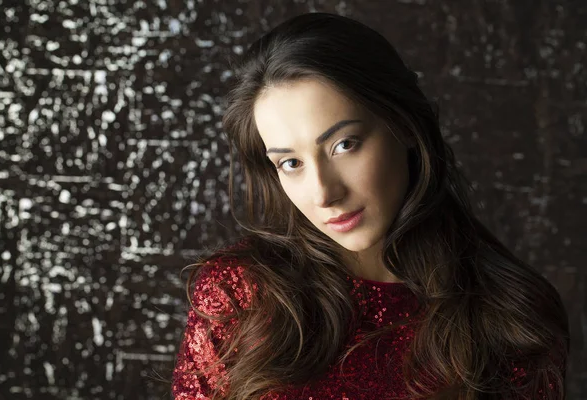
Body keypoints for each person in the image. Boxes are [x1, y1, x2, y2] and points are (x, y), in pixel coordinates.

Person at [172, 12, 569, 400]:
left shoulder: (511, 320)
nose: (324, 193)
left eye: (344, 144)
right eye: (290, 163)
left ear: (405, 125)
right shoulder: (238, 295)